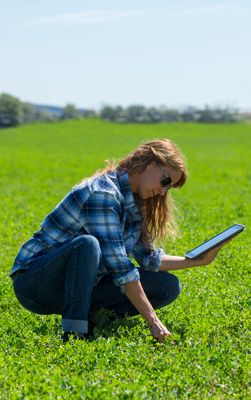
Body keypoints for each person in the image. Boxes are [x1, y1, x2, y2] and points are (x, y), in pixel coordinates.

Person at [10, 139, 227, 343]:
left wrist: (197, 260)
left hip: (79, 286)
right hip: (35, 283)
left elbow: (148, 258)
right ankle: (75, 333)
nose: (163, 191)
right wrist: (153, 320)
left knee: (167, 286)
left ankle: (93, 320)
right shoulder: (103, 193)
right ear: (150, 164)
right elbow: (122, 270)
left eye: (168, 187)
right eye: (165, 181)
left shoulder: (135, 202)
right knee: (87, 244)